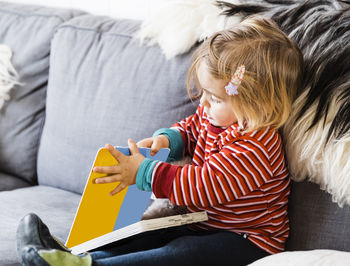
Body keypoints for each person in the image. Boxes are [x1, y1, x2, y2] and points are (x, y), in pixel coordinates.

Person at [17, 15, 303, 266]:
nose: (202, 103)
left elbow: (202, 187)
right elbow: (192, 128)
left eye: (214, 98)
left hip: (246, 241)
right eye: (202, 92)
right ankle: (75, 255)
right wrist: (169, 140)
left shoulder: (255, 147)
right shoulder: (215, 116)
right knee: (144, 234)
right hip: (201, 223)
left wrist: (143, 172)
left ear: (258, 104)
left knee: (179, 253)